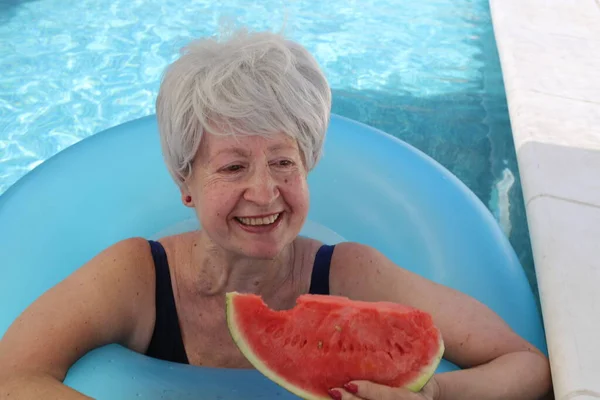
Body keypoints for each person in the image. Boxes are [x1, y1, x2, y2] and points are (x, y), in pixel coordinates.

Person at [0, 29, 551, 400]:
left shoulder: (352, 275)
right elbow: (13, 372)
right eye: (234, 167)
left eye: (284, 162)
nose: (265, 194)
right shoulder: (136, 277)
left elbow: (528, 365)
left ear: (309, 164)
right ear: (184, 183)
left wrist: (433, 393)